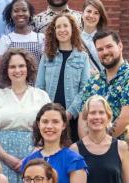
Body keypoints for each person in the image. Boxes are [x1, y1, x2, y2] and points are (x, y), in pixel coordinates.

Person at [0, 48, 50, 183]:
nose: (17, 70)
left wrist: (32, 155)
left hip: (34, 157)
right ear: (6, 70)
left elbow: (48, 128)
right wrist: (5, 157)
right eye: (12, 67)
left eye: (21, 66)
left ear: (28, 68)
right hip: (1, 159)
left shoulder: (41, 96)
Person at [79, 30, 129, 139]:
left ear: (120, 46)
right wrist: (87, 145)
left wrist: (102, 144)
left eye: (109, 46)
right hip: (92, 150)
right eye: (100, 49)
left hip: (124, 151)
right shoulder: (93, 81)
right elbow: (83, 117)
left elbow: (125, 119)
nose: (105, 52)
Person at [36, 12, 90, 142]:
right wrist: (48, 112)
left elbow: (85, 89)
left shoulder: (82, 57)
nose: (62, 30)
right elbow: (39, 87)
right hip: (50, 120)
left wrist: (70, 113)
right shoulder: (47, 56)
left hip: (73, 119)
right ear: (54, 31)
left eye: (65, 26)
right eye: (58, 27)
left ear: (72, 29)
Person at [0, 0, 45, 68]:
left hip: (36, 78)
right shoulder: (5, 39)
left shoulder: (40, 38)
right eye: (16, 11)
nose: (20, 14)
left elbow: (46, 66)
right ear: (11, 15)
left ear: (30, 13)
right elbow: (0, 68)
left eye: (24, 10)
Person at [80, 0, 108, 73]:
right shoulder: (74, 39)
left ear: (100, 18)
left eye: (96, 13)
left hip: (101, 82)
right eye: (89, 11)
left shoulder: (105, 39)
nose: (91, 16)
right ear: (82, 14)